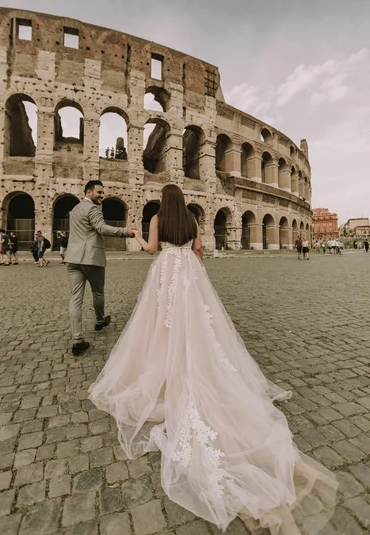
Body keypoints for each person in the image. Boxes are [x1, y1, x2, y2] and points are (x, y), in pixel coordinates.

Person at [89, 184, 338, 535]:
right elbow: (200, 249)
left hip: (165, 274)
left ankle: (163, 371)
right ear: (183, 201)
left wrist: (138, 235)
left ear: (164, 201)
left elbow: (150, 250)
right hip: (189, 273)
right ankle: (194, 362)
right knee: (199, 327)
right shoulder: (190, 218)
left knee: (162, 326)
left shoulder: (158, 217)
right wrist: (197, 275)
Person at [65, 180, 134, 356]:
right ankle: (99, 320)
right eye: (99, 192)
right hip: (91, 258)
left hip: (73, 258)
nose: (102, 195)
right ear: (89, 192)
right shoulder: (93, 209)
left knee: (75, 299)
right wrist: (125, 232)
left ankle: (77, 339)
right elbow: (101, 228)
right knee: (98, 292)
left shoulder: (74, 210)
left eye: (102, 193)